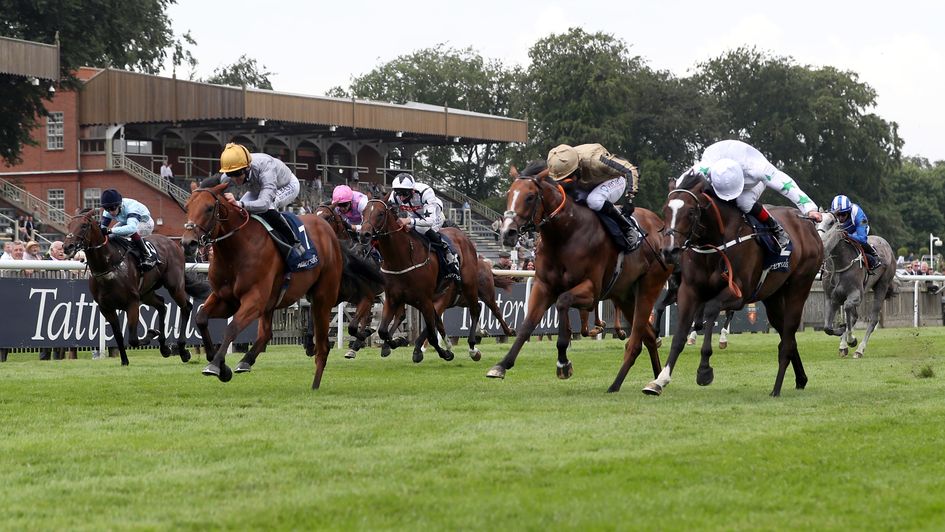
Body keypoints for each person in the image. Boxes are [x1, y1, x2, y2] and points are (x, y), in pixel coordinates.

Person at [682, 139, 823, 252]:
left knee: (743, 201)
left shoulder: (758, 169)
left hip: (751, 184)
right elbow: (680, 187)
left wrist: (809, 208)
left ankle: (775, 228)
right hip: (719, 177)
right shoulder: (704, 168)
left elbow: (786, 184)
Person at [547, 143, 641, 251]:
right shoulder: (559, 163)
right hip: (588, 182)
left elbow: (631, 170)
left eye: (569, 176)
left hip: (614, 179)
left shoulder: (597, 161)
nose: (568, 180)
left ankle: (627, 228)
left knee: (594, 200)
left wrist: (629, 199)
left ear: (576, 167)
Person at [218, 143, 303, 255]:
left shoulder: (265, 166)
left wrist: (239, 203)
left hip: (286, 185)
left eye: (237, 174)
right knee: (239, 211)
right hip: (259, 189)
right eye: (230, 174)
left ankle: (294, 243)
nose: (234, 179)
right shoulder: (229, 174)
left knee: (268, 208)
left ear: (247, 167)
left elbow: (264, 204)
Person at [387, 172, 461, 282]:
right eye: (398, 193)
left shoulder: (426, 192)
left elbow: (429, 221)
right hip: (414, 215)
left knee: (422, 229)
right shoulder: (394, 196)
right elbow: (388, 211)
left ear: (412, 191)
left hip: (434, 216)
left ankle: (449, 257)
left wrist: (408, 221)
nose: (401, 197)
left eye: (404, 193)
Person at [99, 188, 158, 270]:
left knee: (128, 232)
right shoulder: (109, 210)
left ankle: (147, 255)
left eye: (112, 208)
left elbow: (131, 228)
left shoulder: (131, 207)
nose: (110, 212)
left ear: (119, 205)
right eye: (107, 209)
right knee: (112, 235)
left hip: (145, 223)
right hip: (127, 221)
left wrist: (109, 230)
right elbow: (102, 228)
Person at [829, 195, 881, 270]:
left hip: (858, 228)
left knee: (857, 243)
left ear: (848, 212)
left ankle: (874, 256)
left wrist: (847, 235)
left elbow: (862, 239)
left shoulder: (859, 215)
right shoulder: (831, 215)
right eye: (838, 214)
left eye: (843, 214)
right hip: (844, 230)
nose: (840, 218)